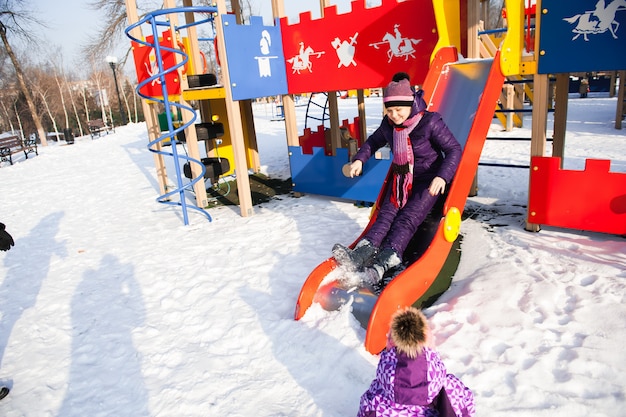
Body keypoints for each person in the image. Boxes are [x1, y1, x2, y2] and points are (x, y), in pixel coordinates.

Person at [333, 78, 461, 285]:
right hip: (402, 178)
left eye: (399, 110)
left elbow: (454, 149)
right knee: (386, 212)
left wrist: (442, 176)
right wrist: (359, 160)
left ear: (410, 104)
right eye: (389, 110)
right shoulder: (389, 124)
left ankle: (386, 259)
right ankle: (363, 251)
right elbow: (373, 142)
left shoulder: (430, 122)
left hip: (429, 180)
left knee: (408, 217)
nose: (394, 115)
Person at [357, 307, 475, 417]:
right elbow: (468, 407)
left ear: (390, 345)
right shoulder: (452, 389)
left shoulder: (374, 400)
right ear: (429, 344)